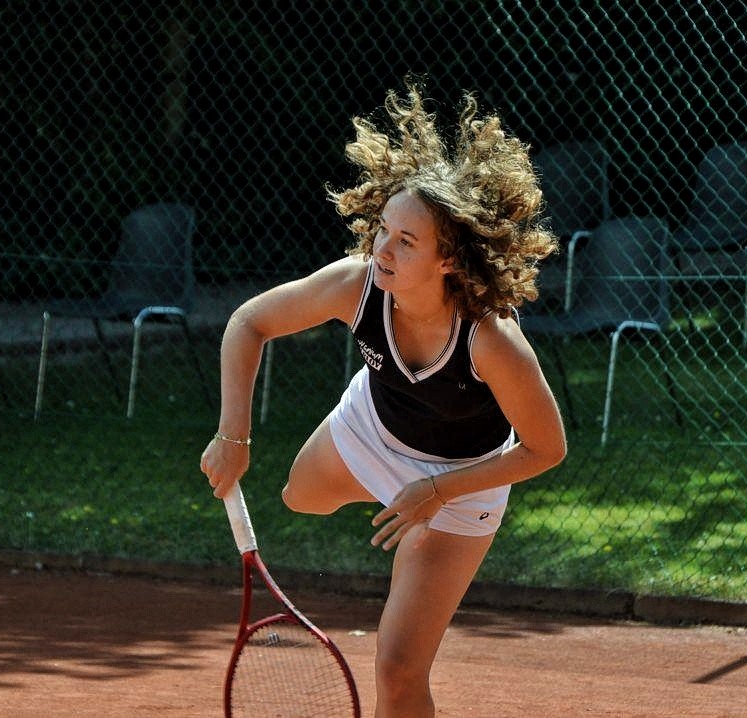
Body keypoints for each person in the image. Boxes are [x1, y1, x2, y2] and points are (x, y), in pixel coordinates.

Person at [200, 81, 566, 718]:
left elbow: (547, 448)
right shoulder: (358, 286)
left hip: (464, 478)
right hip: (373, 427)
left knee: (398, 672)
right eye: (383, 231)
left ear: (449, 260)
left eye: (406, 242)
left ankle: (418, 537)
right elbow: (248, 323)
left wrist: (437, 491)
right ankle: (400, 512)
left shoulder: (491, 341)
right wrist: (233, 436)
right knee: (299, 497)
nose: (381, 250)